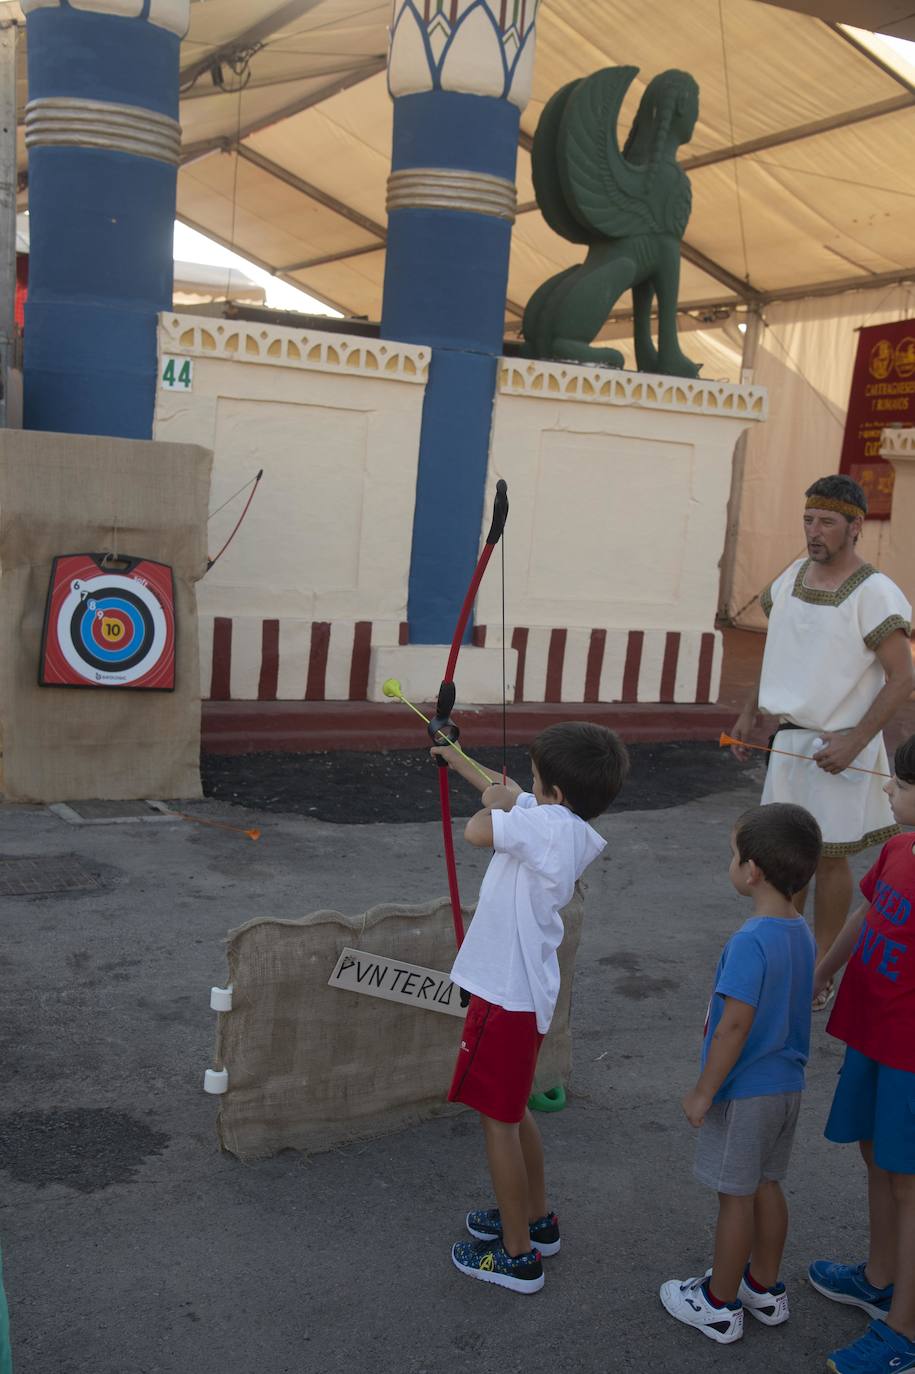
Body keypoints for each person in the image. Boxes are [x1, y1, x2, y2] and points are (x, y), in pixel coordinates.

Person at [432, 721, 629, 1294]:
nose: (526, 785)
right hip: (525, 995)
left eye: (537, 780)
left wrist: (495, 803)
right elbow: (507, 790)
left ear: (557, 795)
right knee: (515, 1110)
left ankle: (518, 1256)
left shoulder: (538, 827)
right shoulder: (561, 826)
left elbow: (477, 829)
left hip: (503, 996)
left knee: (498, 1122)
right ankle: (536, 1219)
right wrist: (454, 757)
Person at [731, 474, 913, 1009]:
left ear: (855, 527)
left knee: (830, 857)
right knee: (786, 856)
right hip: (791, 745)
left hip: (842, 747)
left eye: (827, 521)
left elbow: (902, 677)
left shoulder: (876, 591)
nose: (814, 531)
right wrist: (749, 711)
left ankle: (820, 968)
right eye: (809, 519)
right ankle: (785, 957)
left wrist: (855, 743)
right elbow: (780, 644)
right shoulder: (792, 575)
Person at [660, 802, 822, 1344]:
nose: (730, 863)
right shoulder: (799, 931)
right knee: (767, 1185)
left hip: (746, 1091)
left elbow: (734, 1026)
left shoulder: (750, 941)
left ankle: (718, 1302)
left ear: (752, 871)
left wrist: (704, 1090)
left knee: (734, 1198)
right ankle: (764, 1288)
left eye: (733, 854)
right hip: (786, 1087)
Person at [808, 733, 915, 1374]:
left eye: (900, 785)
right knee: (877, 1155)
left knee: (910, 1180)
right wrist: (824, 969)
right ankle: (879, 1279)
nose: (889, 790)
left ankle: (904, 1332)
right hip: (873, 1036)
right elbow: (866, 914)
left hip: (909, 1055)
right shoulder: (901, 846)